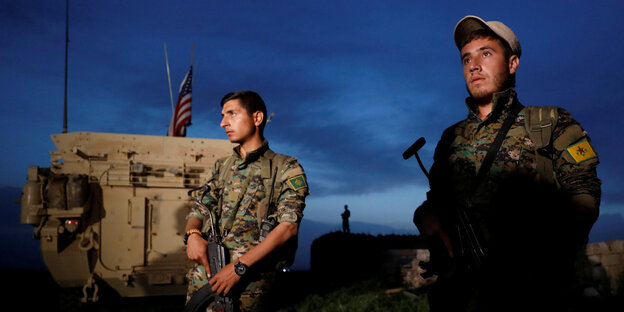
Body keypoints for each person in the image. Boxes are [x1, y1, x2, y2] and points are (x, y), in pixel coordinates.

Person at [413, 16, 600, 312]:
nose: (474, 65)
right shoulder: (451, 138)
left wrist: (542, 250)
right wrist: (426, 219)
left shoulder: (551, 122)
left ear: (512, 63)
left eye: (486, 53)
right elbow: (435, 201)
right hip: (460, 296)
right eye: (466, 59)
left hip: (534, 293)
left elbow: (584, 195)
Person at [184, 90, 309, 311]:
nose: (223, 123)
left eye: (232, 114)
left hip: (250, 282)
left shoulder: (286, 168)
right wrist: (192, 235)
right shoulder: (221, 167)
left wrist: (238, 269)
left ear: (257, 118)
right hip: (207, 275)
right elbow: (199, 207)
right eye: (222, 115)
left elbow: (288, 227)